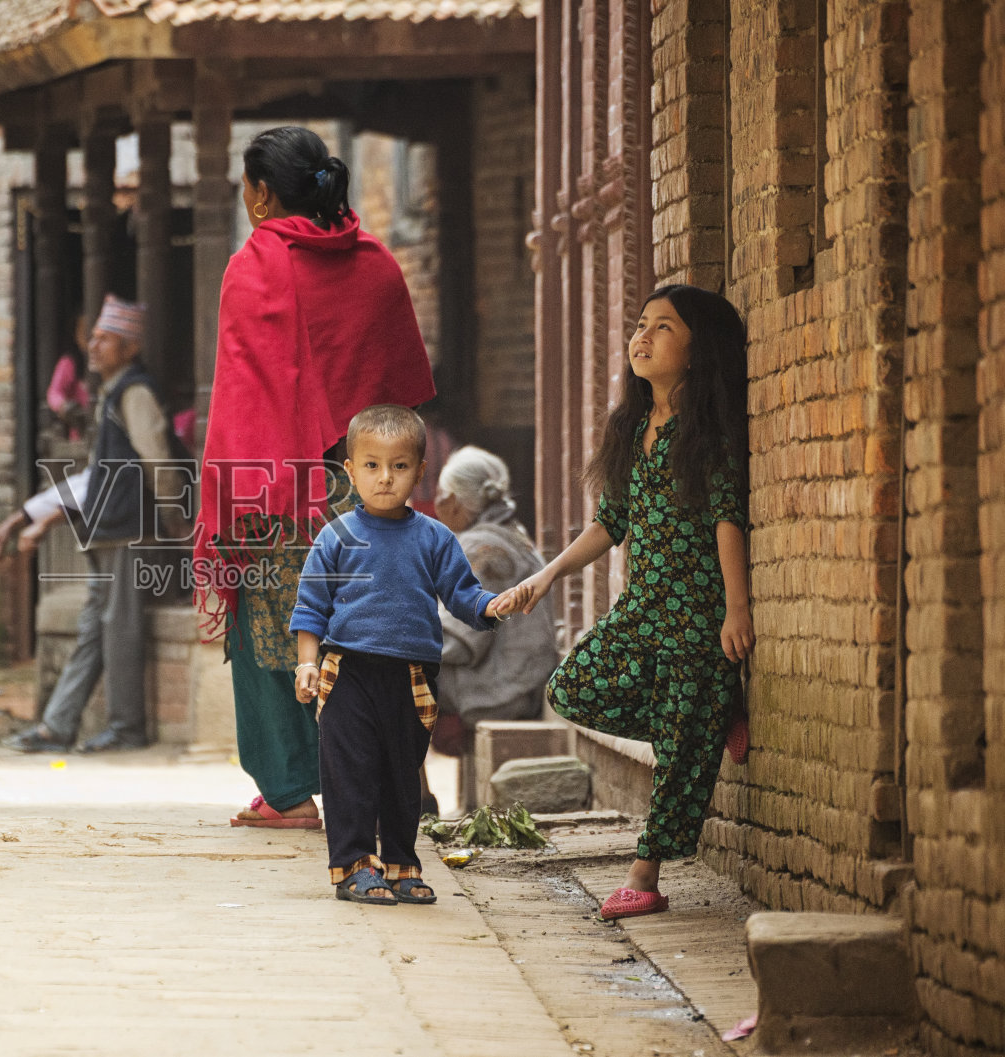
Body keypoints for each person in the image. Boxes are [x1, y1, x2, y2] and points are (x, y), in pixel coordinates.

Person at [195, 126, 436, 829]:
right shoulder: (378, 265)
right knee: (364, 634)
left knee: (271, 637)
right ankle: (385, 784)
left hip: (279, 490)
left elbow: (246, 394)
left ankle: (291, 791)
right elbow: (403, 394)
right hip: (368, 487)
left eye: (247, 188)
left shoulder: (256, 265)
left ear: (262, 192)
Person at [497, 284, 754, 922]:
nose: (641, 337)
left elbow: (727, 521)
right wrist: (548, 575)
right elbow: (611, 522)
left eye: (663, 328)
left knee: (676, 751)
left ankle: (647, 875)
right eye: (641, 325)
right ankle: (706, 721)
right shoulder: (635, 426)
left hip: (698, 617)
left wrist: (736, 610)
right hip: (645, 608)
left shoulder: (707, 431)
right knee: (574, 688)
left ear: (697, 352)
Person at [290, 406, 509, 906]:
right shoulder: (335, 537)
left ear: (420, 470)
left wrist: (493, 605)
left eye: (399, 466)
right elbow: (311, 609)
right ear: (349, 470)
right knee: (350, 771)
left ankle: (402, 865)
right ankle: (354, 867)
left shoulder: (434, 537)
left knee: (402, 774)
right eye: (371, 465)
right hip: (346, 672)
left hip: (412, 676)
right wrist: (308, 663)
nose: (385, 478)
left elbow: (463, 596)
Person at [0, 295, 187, 754]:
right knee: (94, 630)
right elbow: (98, 476)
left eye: (105, 339)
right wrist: (38, 518)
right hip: (108, 530)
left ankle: (126, 727)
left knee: (119, 629)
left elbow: (158, 457)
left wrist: (176, 521)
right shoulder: (113, 394)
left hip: (131, 531)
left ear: (129, 347)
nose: (93, 346)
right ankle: (57, 725)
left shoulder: (135, 392)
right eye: (94, 337)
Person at [431, 445, 560, 770]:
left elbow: (461, 642)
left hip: (504, 689)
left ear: (451, 500)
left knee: (392, 676)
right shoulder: (512, 536)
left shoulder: (480, 546)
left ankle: (418, 797)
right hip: (523, 683)